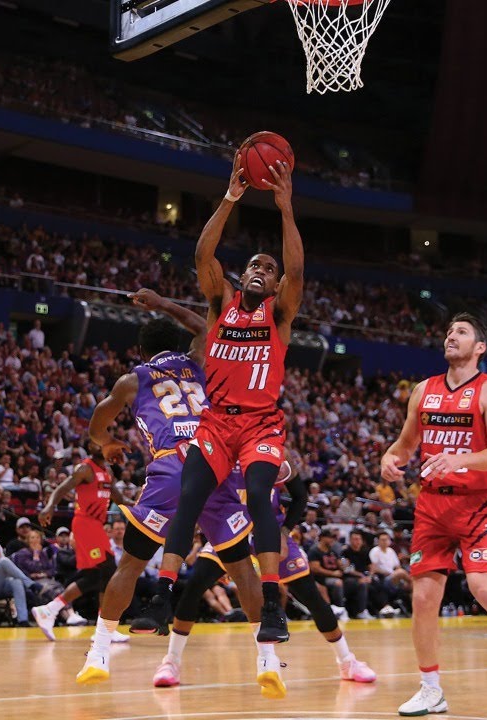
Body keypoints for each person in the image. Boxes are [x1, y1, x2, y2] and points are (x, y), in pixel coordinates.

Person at [141, 151, 305, 692]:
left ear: (277, 285)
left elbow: (297, 267)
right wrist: (231, 197)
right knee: (189, 497)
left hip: (260, 424)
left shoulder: (278, 315)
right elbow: (202, 252)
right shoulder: (221, 305)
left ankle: (274, 605)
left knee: (259, 494)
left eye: (269, 268)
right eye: (255, 265)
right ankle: (163, 592)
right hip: (215, 422)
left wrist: (284, 208)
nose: (261, 269)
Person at [57, 289, 262, 690]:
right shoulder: (202, 361)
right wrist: (164, 304)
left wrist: (106, 444)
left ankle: (99, 650)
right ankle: (267, 657)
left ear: (143, 349)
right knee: (240, 567)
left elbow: (97, 421)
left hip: (170, 468)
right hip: (214, 462)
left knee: (130, 565)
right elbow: (206, 327)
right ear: (179, 343)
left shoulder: (133, 380)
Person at [381, 314, 487, 720]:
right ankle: (430, 690)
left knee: (484, 589)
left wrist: (459, 459)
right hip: (432, 507)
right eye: (449, 331)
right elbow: (406, 443)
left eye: (461, 332)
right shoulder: (424, 390)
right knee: (422, 599)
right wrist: (391, 457)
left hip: (477, 503)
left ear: (480, 348)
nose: (450, 336)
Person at [166, 462, 376, 689]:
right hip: (230, 528)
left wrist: (284, 532)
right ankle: (171, 661)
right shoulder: (222, 449)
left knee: (311, 596)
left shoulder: (274, 453)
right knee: (195, 585)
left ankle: (346, 660)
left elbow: (299, 496)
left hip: (269, 531)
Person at [32, 455, 122, 645]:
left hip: (96, 525)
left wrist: (140, 504)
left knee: (94, 576)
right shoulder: (85, 469)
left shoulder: (106, 473)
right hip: (85, 524)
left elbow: (119, 498)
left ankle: (49, 610)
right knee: (109, 569)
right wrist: (49, 506)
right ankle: (104, 629)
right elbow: (62, 488)